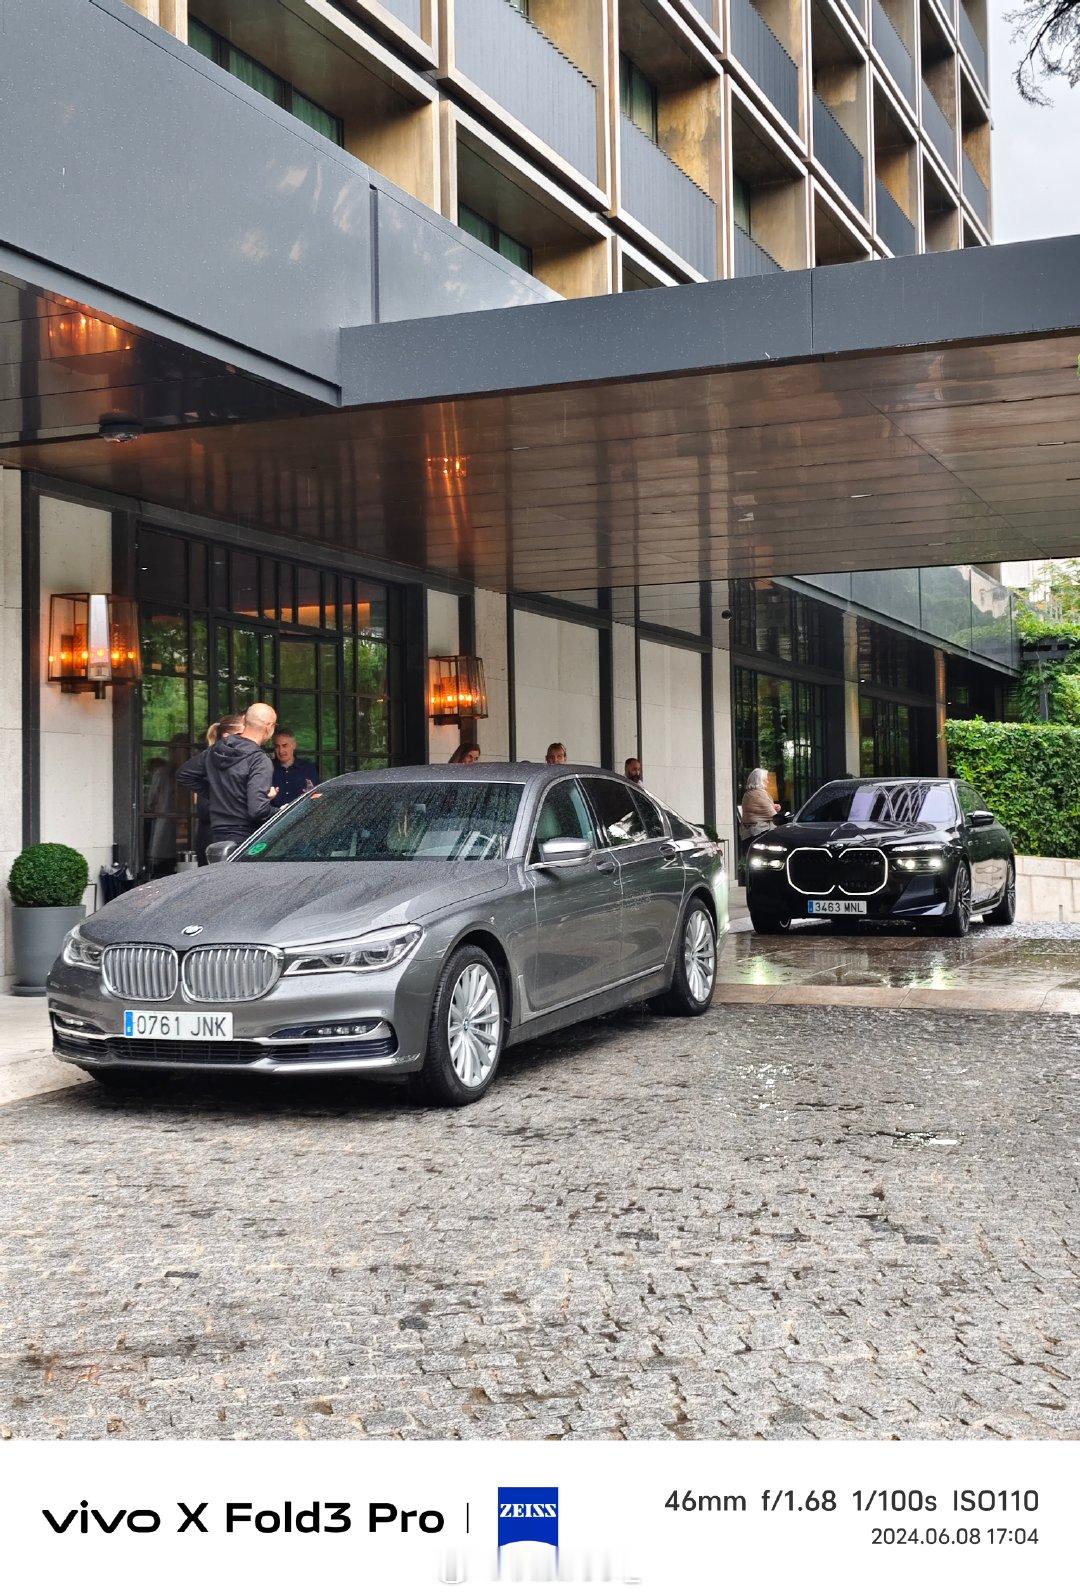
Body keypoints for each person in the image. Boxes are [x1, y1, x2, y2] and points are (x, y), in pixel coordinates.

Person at [177, 701, 279, 849]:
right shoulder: (259, 760)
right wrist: (282, 812)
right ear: (269, 727)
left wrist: (218, 793)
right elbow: (258, 811)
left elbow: (184, 774)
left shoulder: (216, 749)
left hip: (217, 837)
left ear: (244, 721)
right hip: (245, 840)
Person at [192, 715, 243, 863]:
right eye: (241, 736)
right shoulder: (210, 763)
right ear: (227, 737)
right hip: (215, 843)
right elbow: (204, 810)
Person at [271, 729, 319, 808]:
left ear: (294, 745)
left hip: (301, 814)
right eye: (277, 746)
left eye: (284, 745)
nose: (281, 751)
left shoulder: (308, 769)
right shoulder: (268, 768)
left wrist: (312, 794)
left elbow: (318, 798)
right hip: (274, 815)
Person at [739, 767, 780, 843]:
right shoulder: (758, 794)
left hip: (749, 833)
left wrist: (773, 806)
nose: (768, 781)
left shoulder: (748, 794)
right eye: (765, 779)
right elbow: (773, 816)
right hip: (759, 833)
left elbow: (760, 809)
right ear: (759, 780)